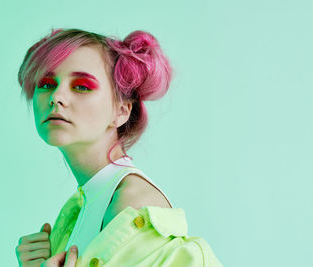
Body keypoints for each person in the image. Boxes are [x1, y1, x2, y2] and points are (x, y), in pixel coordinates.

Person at [15, 28, 223, 267]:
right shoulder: (87, 202)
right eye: (47, 83)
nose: (57, 96)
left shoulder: (131, 207)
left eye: (82, 86)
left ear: (122, 111)